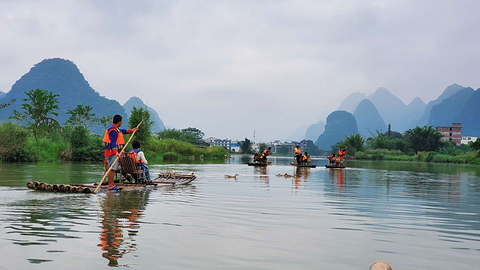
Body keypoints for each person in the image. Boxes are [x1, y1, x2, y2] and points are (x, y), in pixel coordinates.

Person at [103, 114, 138, 190]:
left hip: (109, 152)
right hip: (112, 153)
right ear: (119, 121)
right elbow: (113, 142)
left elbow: (123, 131)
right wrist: (116, 152)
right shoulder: (113, 131)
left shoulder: (114, 129)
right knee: (112, 169)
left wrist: (132, 130)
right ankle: (110, 185)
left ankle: (111, 184)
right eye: (121, 121)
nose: (121, 123)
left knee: (112, 168)